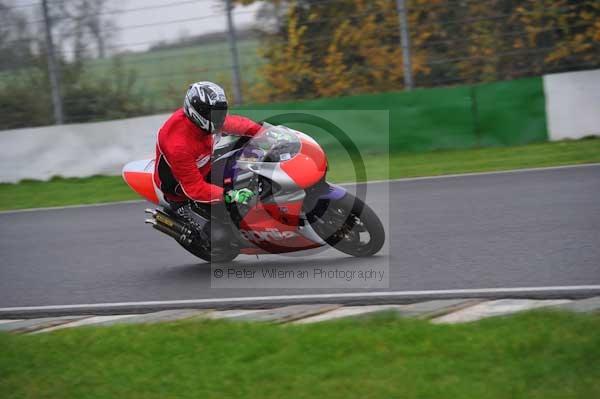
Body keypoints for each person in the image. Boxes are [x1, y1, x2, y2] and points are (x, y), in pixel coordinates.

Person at [153, 81, 261, 252]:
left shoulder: (208, 119)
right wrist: (230, 195)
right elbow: (194, 189)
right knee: (221, 239)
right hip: (180, 191)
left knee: (247, 163)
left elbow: (235, 124)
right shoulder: (178, 145)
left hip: (205, 165)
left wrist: (261, 131)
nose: (219, 118)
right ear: (198, 113)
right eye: (214, 114)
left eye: (221, 112)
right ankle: (182, 214)